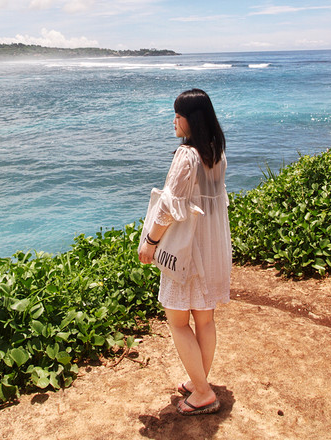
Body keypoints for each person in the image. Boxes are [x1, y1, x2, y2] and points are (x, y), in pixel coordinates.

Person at [138, 88, 231, 416]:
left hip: (187, 252)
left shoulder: (186, 156)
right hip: (210, 247)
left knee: (177, 321)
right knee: (204, 320)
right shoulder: (216, 152)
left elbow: (167, 208)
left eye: (178, 115)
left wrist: (150, 243)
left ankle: (203, 393)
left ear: (191, 120)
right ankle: (199, 381)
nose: (174, 121)